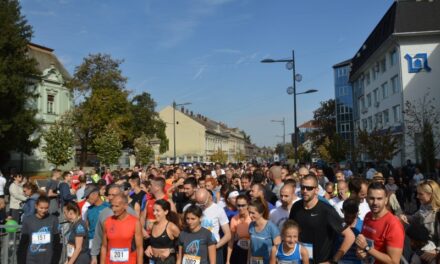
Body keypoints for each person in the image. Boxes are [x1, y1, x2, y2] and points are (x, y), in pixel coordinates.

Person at [289, 174, 355, 263]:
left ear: (316, 190)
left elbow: (350, 236)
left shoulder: (327, 210)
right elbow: (290, 231)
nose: (304, 190)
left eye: (309, 188)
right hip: (300, 260)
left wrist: (334, 260)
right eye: (302, 187)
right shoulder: (296, 207)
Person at [355, 182, 404, 264]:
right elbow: (364, 243)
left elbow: (394, 261)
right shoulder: (368, 216)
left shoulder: (393, 225)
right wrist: (360, 252)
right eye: (371, 198)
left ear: (386, 200)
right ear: (366, 199)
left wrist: (367, 248)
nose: (375, 203)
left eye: (379, 198)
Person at [90, 184, 138, 264]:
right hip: (110, 258)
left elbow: (137, 239)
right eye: (109, 195)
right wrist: (94, 256)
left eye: (114, 195)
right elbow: (98, 235)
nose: (111, 197)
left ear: (121, 195)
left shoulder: (130, 211)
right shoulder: (104, 213)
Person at [400, 180, 440, 262]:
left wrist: (436, 251)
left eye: (420, 194)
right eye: (417, 193)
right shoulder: (424, 206)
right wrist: (405, 217)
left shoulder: (438, 213)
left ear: (431, 195)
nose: (417, 196)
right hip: (423, 248)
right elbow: (415, 218)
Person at [17, 196, 61, 264]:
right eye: (41, 208)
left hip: (48, 259)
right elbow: (23, 243)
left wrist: (55, 261)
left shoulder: (54, 219)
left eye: (46, 208)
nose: (43, 210)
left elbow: (57, 243)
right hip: (31, 259)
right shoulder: (28, 220)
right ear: (36, 206)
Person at [101, 194, 143, 264]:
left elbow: (139, 248)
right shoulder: (107, 222)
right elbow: (104, 247)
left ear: (125, 206)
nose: (113, 209)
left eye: (117, 206)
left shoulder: (135, 223)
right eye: (112, 206)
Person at [195, 188, 231, 264]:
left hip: (215, 248)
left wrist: (215, 247)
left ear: (210, 198)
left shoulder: (218, 210)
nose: (201, 205)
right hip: (199, 248)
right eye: (198, 203)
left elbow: (228, 235)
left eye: (203, 203)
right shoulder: (196, 208)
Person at [145, 199, 181, 264]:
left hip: (167, 261)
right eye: (153, 210)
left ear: (166, 212)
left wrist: (171, 250)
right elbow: (154, 242)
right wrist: (149, 247)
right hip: (153, 260)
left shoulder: (171, 227)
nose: (154, 213)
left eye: (157, 211)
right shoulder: (152, 225)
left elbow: (182, 245)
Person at [248, 197, 281, 264]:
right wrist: (248, 261)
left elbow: (278, 250)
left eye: (253, 213)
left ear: (261, 212)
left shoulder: (271, 227)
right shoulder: (251, 225)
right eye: (249, 212)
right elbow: (250, 247)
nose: (250, 215)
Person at [337, 198, 363, 264]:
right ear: (342, 211)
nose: (349, 220)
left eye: (353, 217)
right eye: (347, 217)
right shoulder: (337, 224)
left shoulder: (363, 226)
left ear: (357, 213)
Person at [227, 194, 251, 264]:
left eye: (243, 205)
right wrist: (228, 260)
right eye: (238, 205)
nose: (240, 208)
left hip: (253, 251)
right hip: (240, 252)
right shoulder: (234, 219)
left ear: (248, 205)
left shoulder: (253, 217)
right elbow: (231, 241)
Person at [85, 184, 109, 249]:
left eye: (87, 197)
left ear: (95, 194)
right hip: (92, 243)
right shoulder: (88, 210)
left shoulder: (108, 207)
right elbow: (86, 227)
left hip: (105, 242)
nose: (86, 200)